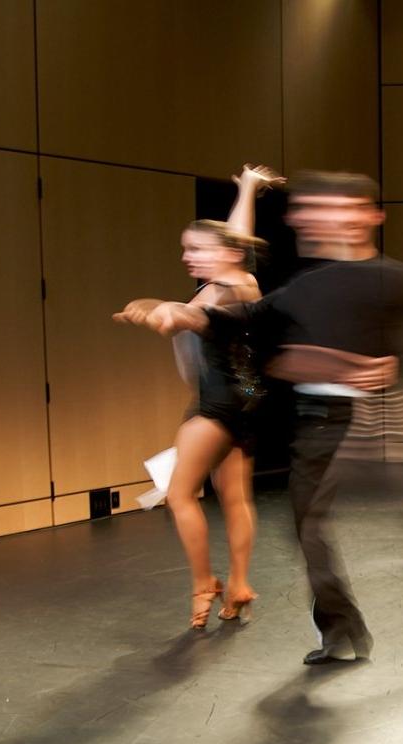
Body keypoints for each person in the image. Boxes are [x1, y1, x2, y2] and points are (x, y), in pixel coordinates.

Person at [115, 170, 403, 663]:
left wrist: (398, 364)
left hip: (365, 410)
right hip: (315, 414)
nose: (317, 219)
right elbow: (247, 318)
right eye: (313, 210)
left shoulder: (396, 277)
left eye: (335, 208)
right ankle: (335, 628)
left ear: (371, 216)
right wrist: (181, 313)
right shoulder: (307, 284)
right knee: (302, 519)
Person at [147, 163, 281, 630]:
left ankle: (204, 583)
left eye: (195, 249)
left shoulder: (230, 285)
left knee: (180, 495)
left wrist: (162, 311)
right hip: (245, 398)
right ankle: (240, 582)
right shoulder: (231, 279)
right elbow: (237, 240)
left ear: (225, 253)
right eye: (185, 248)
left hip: (220, 401)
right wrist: (246, 188)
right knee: (234, 495)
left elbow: (194, 308)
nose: (187, 256)